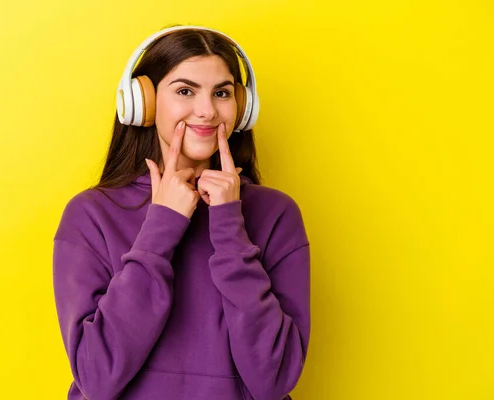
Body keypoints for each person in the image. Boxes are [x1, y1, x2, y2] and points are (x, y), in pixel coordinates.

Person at [52, 24, 311, 400]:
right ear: (145, 102)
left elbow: (274, 379)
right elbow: (97, 377)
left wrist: (229, 228)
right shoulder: (92, 214)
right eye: (186, 91)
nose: (206, 111)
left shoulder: (275, 213)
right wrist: (161, 228)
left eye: (221, 93)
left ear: (241, 106)